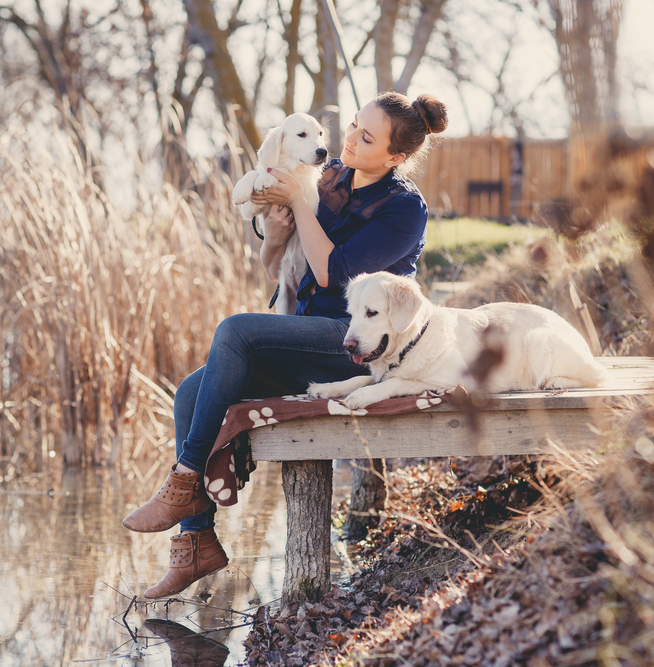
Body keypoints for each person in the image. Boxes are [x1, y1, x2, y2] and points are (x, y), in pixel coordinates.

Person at [122, 91, 448, 599]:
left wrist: (298, 201)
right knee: (191, 391)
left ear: (394, 157)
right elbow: (279, 270)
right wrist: (273, 237)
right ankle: (196, 543)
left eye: (366, 136)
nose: (349, 140)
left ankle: (183, 482)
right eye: (354, 125)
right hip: (303, 337)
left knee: (235, 329)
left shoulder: (404, 209)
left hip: (353, 345)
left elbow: (333, 273)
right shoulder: (327, 175)